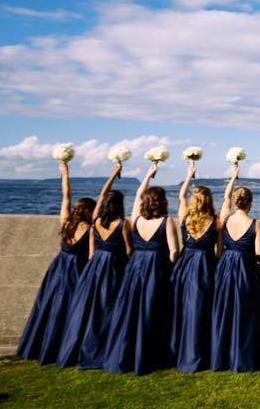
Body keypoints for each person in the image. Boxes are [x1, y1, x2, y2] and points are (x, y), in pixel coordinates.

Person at [102, 163, 180, 374]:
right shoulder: (167, 222)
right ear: (162, 202)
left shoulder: (135, 220)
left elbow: (137, 196)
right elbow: (174, 252)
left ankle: (126, 352)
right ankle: (151, 353)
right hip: (157, 267)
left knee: (132, 309)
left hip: (136, 267)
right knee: (153, 309)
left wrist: (148, 174)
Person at [18, 159, 93, 364]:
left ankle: (43, 345)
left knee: (50, 305)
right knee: (72, 308)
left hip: (59, 266)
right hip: (79, 268)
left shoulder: (66, 222)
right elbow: (91, 256)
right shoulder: (91, 230)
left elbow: (66, 196)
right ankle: (65, 346)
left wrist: (65, 173)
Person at [57, 162, 131, 368]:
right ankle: (105, 349)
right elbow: (128, 250)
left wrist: (113, 174)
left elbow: (97, 195)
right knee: (109, 308)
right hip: (114, 267)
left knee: (88, 309)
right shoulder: (122, 223)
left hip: (94, 267)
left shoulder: (95, 222)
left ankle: (79, 347)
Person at [211, 165, 260, 371]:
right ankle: (242, 355)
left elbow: (219, 248)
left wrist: (233, 177)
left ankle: (221, 355)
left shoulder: (224, 219)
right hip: (244, 266)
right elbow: (259, 252)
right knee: (244, 311)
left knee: (224, 309)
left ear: (235, 202)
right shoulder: (255, 224)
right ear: (250, 203)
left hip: (225, 265)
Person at [171, 161, 220, 372]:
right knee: (202, 310)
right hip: (205, 267)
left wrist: (189, 175)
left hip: (184, 266)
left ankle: (178, 351)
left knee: (182, 309)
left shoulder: (185, 218)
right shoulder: (216, 221)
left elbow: (180, 197)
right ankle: (200, 352)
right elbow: (220, 251)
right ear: (209, 200)